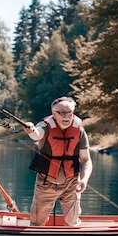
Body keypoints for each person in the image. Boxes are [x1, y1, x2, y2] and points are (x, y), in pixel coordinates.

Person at [23, 96, 93, 226]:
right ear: (54, 114)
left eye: (69, 113)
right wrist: (31, 130)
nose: (66, 116)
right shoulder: (45, 126)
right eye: (62, 113)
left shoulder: (80, 131)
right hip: (46, 182)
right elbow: (36, 134)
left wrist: (84, 179)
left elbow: (86, 160)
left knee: (72, 221)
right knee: (37, 222)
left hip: (71, 183)